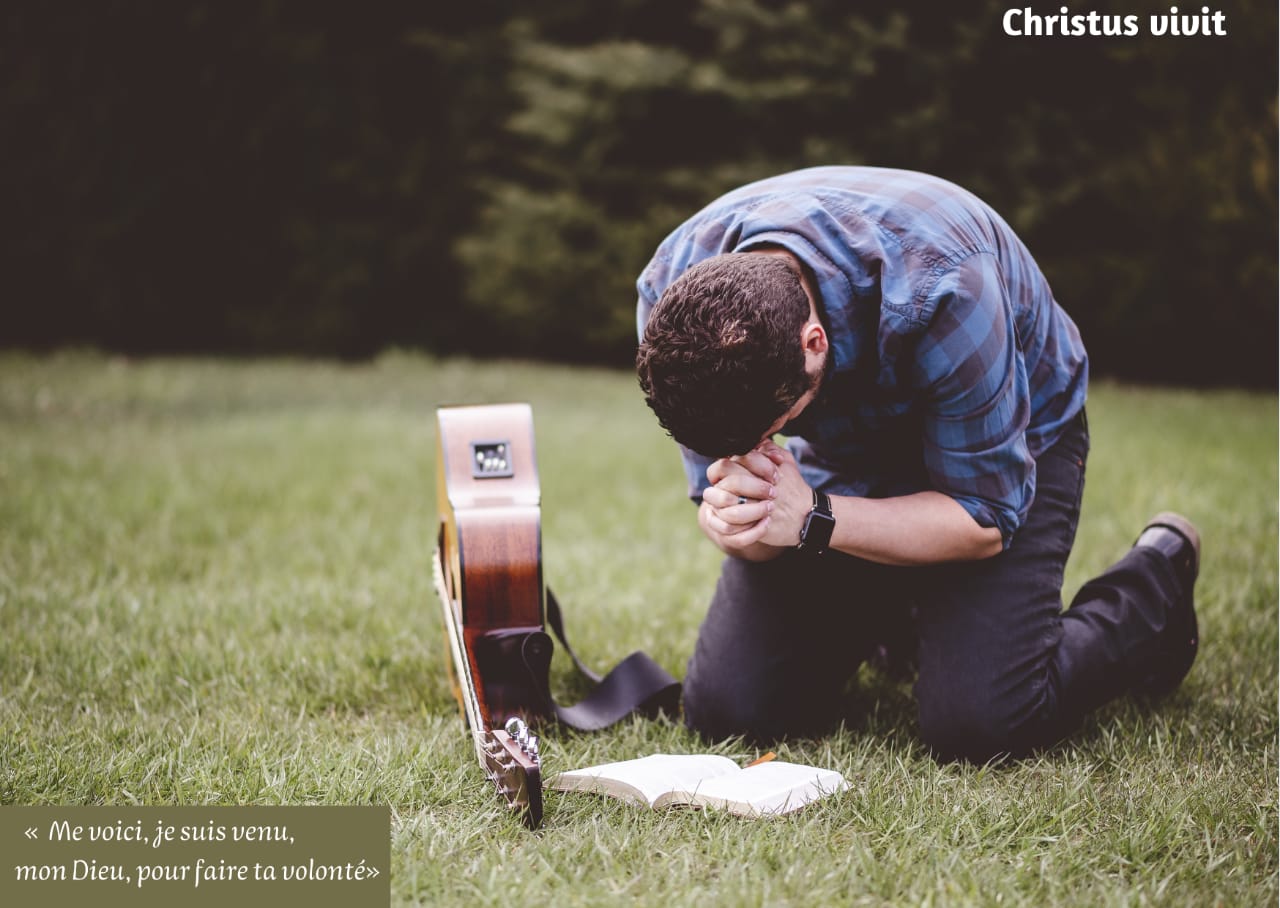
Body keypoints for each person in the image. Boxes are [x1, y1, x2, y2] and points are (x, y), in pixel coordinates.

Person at [634, 166, 1200, 762]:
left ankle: (1154, 586)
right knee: (730, 710)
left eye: (775, 429)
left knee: (980, 725)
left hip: (1006, 444)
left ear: (814, 343)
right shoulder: (674, 312)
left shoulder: (946, 285)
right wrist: (735, 526)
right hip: (849, 451)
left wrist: (816, 519)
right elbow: (735, 510)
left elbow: (983, 518)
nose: (759, 449)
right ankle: (894, 605)